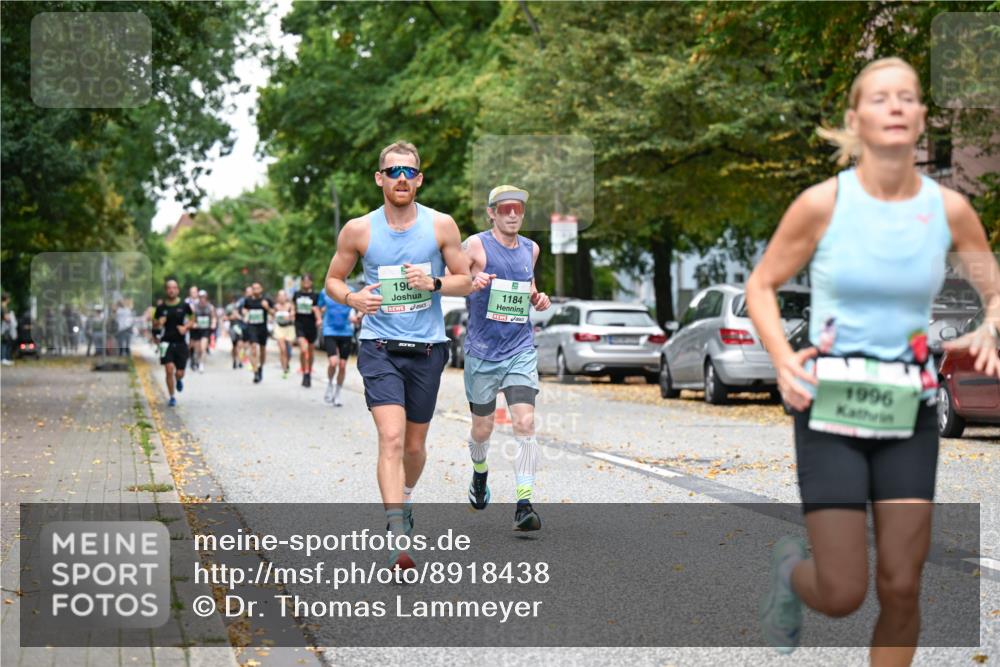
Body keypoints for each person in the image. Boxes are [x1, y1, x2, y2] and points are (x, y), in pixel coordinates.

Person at [745, 57, 1000, 664]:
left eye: (907, 97)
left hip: (907, 414)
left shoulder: (950, 210)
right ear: (855, 120)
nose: (895, 106)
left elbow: (994, 290)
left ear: (920, 120)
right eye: (880, 97)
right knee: (841, 593)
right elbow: (761, 286)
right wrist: (783, 359)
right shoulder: (821, 204)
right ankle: (791, 575)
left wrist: (990, 328)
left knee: (902, 585)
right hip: (829, 406)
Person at [324, 140, 492, 570]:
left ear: (418, 179)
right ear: (380, 178)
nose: (401, 178)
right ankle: (396, 528)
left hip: (428, 348)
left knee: (415, 447)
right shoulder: (359, 230)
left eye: (409, 172)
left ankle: (408, 498)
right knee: (392, 437)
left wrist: (433, 283)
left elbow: (466, 279)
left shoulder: (441, 226)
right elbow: (333, 281)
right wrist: (354, 299)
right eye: (393, 171)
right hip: (379, 347)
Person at [462, 185, 551, 531]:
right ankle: (480, 474)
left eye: (518, 209)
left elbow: (527, 288)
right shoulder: (475, 245)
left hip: (519, 350)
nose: (513, 214)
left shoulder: (531, 249)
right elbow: (452, 279)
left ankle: (524, 504)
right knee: (482, 430)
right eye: (505, 208)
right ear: (492, 213)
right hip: (482, 353)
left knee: (525, 423)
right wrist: (472, 279)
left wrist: (538, 299)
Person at [154, 279, 194, 407]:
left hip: (181, 343)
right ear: (166, 290)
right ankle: (171, 396)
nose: (171, 290)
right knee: (169, 369)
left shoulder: (184, 306)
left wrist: (186, 327)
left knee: (179, 372)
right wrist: (159, 323)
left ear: (177, 290)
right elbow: (154, 324)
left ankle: (179, 379)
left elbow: (193, 319)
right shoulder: (161, 308)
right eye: (169, 288)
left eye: (174, 288)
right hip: (166, 343)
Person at [317, 284, 357, 406]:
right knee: (333, 362)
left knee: (343, 365)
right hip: (329, 330)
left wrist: (356, 317)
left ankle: (338, 393)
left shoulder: (352, 289)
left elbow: (355, 307)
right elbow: (319, 307)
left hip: (346, 331)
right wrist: (319, 318)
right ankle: (330, 383)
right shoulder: (325, 291)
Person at [293, 273, 322, 387]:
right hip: (299, 324)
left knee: (310, 351)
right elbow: (292, 306)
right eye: (303, 281)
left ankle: (308, 372)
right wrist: (291, 312)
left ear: (311, 282)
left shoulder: (316, 296)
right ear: (301, 282)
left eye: (308, 281)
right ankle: (304, 371)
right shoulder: (297, 294)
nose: (306, 283)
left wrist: (318, 314)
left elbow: (320, 308)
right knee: (303, 349)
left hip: (311, 325)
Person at [241, 282, 272, 384]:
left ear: (261, 289)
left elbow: (274, 313)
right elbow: (244, 309)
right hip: (252, 327)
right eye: (254, 288)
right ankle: (255, 372)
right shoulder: (248, 300)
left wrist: (267, 307)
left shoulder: (266, 300)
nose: (256, 290)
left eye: (258, 288)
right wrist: (245, 312)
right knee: (253, 348)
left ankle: (260, 367)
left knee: (262, 350)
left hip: (262, 328)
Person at [272, 289, 296, 379]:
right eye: (279, 296)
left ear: (286, 297)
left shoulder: (290, 306)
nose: (281, 297)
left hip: (289, 328)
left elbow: (293, 314)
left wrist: (290, 316)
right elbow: (272, 315)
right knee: (283, 350)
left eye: (283, 295)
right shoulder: (275, 306)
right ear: (277, 297)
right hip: (279, 328)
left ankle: (287, 363)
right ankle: (284, 369)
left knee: (289, 352)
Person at [190, 290, 216, 373]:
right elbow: (191, 318)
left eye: (204, 297)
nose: (202, 299)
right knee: (197, 349)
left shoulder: (210, 307)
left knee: (203, 348)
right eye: (200, 297)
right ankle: (196, 360)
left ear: (206, 297)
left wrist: (213, 324)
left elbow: (213, 317)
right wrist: (193, 324)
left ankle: (201, 364)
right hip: (197, 330)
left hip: (205, 329)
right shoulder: (194, 307)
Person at [1, 294, 16, 366]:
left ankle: (5, 358)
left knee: (6, 342)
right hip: (4, 328)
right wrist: (11, 318)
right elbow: (6, 318)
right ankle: (3, 359)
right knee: (5, 342)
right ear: (6, 299)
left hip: (5, 328)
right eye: (9, 298)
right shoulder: (3, 307)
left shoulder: (4, 307)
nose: (9, 299)